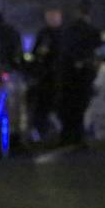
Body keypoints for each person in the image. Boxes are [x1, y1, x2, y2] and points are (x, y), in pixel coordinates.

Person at [56, 5, 101, 147]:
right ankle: (78, 137)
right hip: (84, 75)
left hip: (67, 74)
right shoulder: (92, 31)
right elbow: (96, 53)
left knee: (67, 106)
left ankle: (66, 136)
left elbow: (63, 52)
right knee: (80, 107)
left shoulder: (68, 31)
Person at [28, 7, 64, 141]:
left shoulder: (63, 34)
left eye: (55, 17)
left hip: (59, 76)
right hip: (45, 76)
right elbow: (35, 53)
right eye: (51, 17)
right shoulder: (43, 34)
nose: (53, 20)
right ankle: (41, 130)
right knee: (42, 105)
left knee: (57, 105)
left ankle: (55, 130)